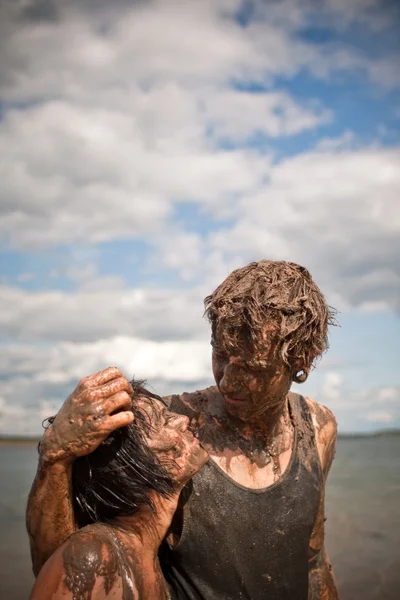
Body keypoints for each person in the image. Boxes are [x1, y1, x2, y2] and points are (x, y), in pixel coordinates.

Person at [27, 260, 339, 599]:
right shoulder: (172, 435)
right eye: (220, 355)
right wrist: (55, 457)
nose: (227, 380)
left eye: (251, 367)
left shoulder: (318, 427)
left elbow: (313, 560)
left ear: (302, 360)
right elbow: (65, 570)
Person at [29, 381, 208, 599]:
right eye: (165, 420)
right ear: (131, 465)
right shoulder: (94, 558)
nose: (184, 419)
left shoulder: (149, 559)